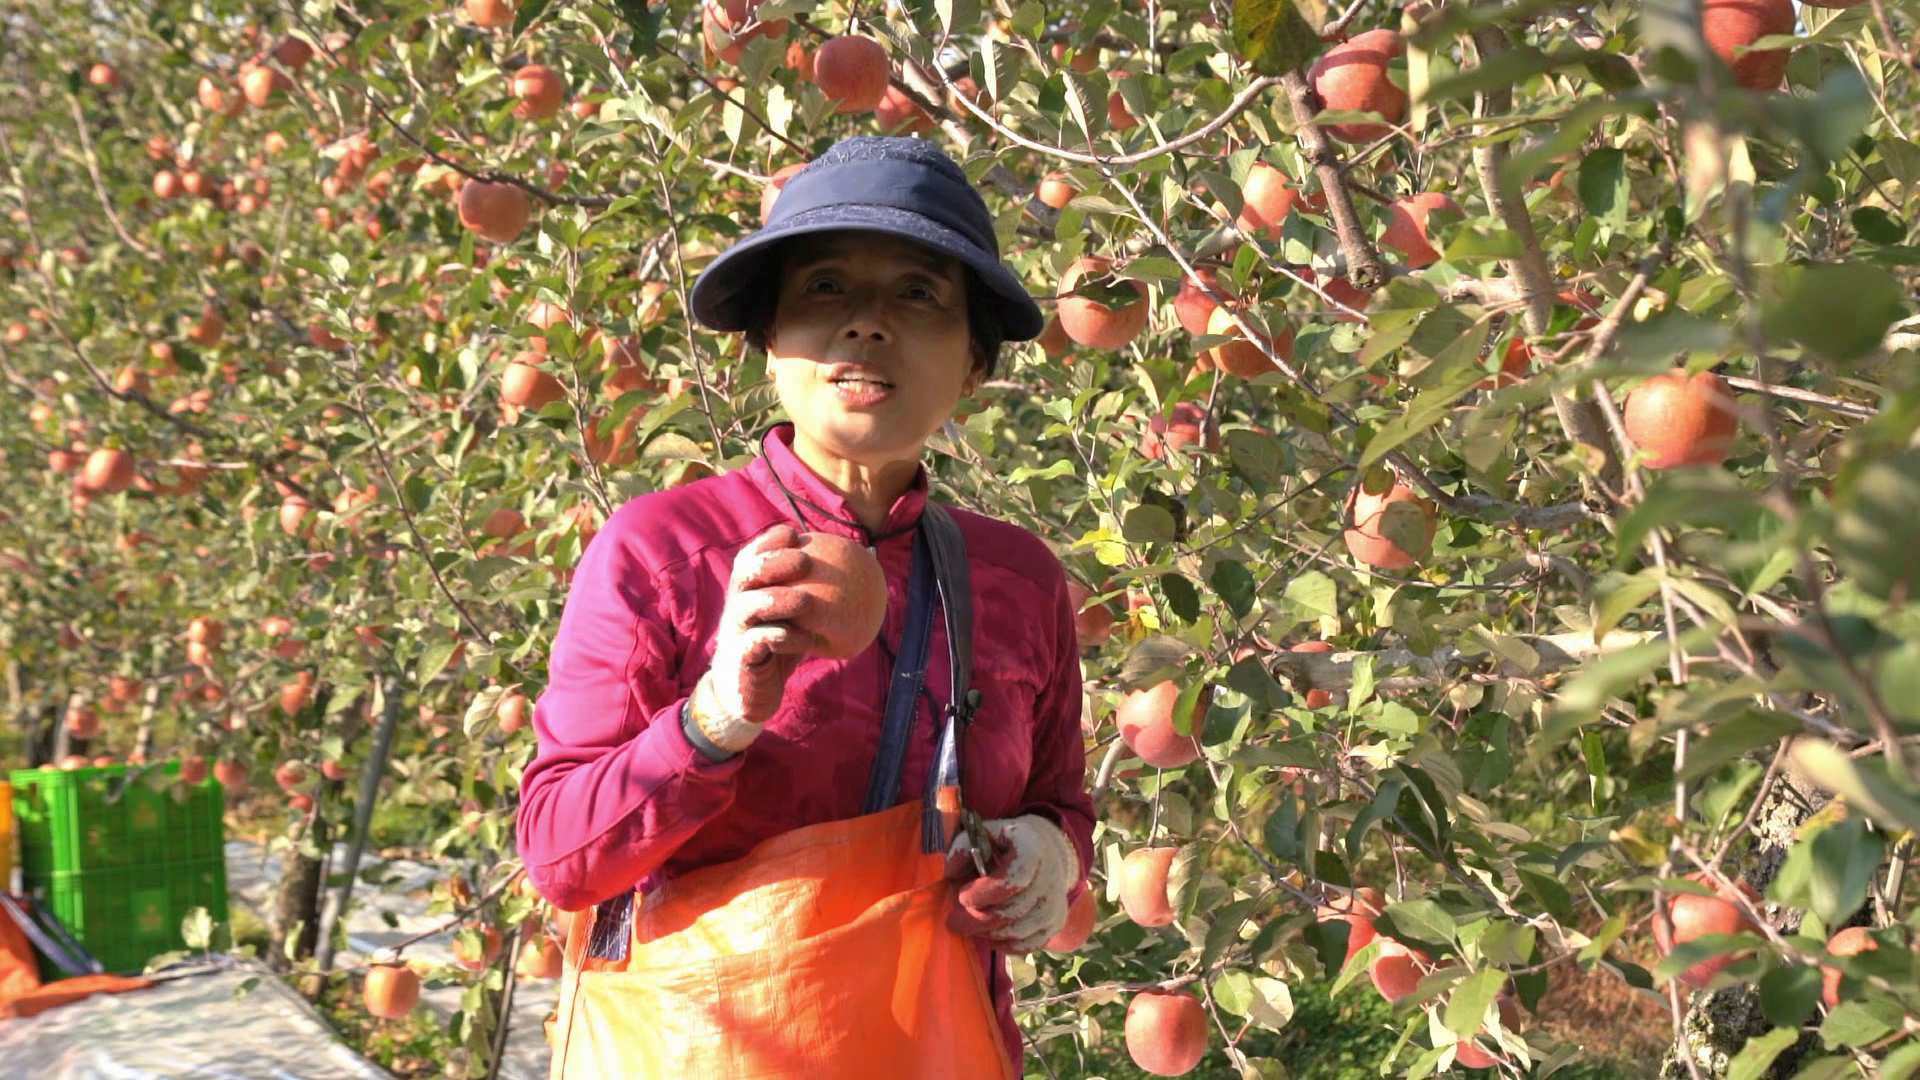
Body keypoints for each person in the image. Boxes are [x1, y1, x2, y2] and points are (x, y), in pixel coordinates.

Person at [517, 135, 1096, 1079]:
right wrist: (713, 720)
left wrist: (1045, 854)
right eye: (825, 288)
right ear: (770, 347)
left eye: (918, 294)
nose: (866, 325)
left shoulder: (1015, 578)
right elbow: (559, 856)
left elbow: (1062, 804)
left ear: (975, 366)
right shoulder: (664, 552)